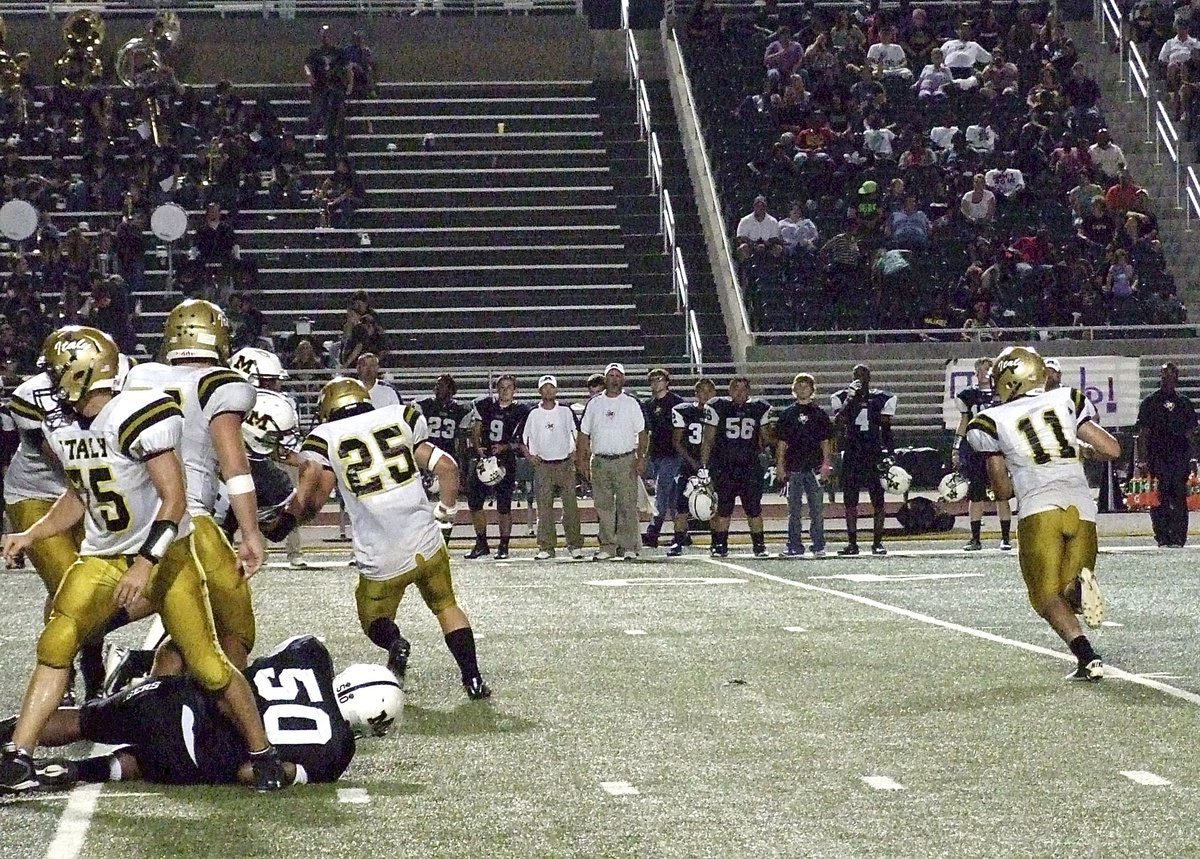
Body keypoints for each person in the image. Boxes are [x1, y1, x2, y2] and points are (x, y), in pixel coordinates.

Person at [1, 326, 284, 794]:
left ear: (83, 371)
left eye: (57, 371)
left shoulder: (136, 412)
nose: (50, 382)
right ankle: (19, 757)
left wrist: (146, 564)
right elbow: (80, 494)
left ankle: (262, 752)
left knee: (209, 664)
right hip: (104, 554)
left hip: (166, 555)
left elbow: (174, 500)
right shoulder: (65, 422)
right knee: (57, 638)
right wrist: (31, 532)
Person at [274, 378, 491, 700]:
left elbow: (314, 501)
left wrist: (284, 521)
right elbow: (448, 467)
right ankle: (473, 678)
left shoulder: (324, 438)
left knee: (374, 618)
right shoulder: (400, 416)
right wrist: (444, 513)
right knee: (446, 606)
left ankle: (396, 644)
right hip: (426, 543)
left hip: (381, 554)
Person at [3, 636, 355, 789]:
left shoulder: (308, 656)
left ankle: (17, 743)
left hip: (174, 702)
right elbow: (254, 773)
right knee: (164, 760)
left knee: (83, 721)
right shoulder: (337, 751)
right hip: (188, 762)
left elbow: (235, 679)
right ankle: (75, 771)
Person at [122, 300, 265, 670]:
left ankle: (148, 692)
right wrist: (250, 532)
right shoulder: (222, 384)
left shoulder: (139, 377)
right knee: (233, 631)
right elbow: (235, 467)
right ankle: (229, 723)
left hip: (135, 518)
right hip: (189, 520)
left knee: (184, 626)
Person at [967, 346, 1121, 680]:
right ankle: (1078, 596)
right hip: (1082, 508)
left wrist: (1000, 478)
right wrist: (1083, 452)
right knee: (1066, 589)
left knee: (1044, 595)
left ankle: (1088, 656)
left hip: (1039, 511)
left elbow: (1003, 490)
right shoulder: (1066, 398)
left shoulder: (990, 421)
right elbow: (1112, 448)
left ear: (1008, 381)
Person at [4, 370, 97, 699]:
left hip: (91, 492)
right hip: (37, 494)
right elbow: (71, 463)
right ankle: (67, 668)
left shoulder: (117, 379)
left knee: (92, 585)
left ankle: (93, 662)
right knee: (67, 585)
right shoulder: (32, 395)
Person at [577, 363, 647, 561]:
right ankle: (607, 546)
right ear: (605, 378)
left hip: (625, 460)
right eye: (611, 375)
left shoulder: (631, 403)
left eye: (618, 375)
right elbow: (584, 433)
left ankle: (628, 546)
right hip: (600, 460)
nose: (614, 379)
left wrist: (641, 458)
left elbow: (642, 433)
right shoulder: (594, 404)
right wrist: (581, 459)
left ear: (623, 379)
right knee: (603, 506)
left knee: (627, 505)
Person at [700, 377, 773, 558]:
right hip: (724, 466)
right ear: (730, 391)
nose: (739, 393)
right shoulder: (718, 407)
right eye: (736, 389)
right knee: (723, 509)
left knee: (754, 509)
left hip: (750, 466)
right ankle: (720, 545)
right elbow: (708, 440)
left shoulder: (758, 408)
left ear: (749, 391)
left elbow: (767, 437)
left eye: (743, 389)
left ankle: (759, 545)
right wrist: (703, 466)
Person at [831, 365, 897, 556]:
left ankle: (877, 542)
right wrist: (851, 399)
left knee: (878, 500)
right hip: (852, 452)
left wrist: (890, 452)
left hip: (873, 452)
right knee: (850, 501)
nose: (860, 378)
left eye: (864, 375)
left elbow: (886, 427)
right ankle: (852, 543)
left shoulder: (882, 397)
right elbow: (838, 422)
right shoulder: (842, 397)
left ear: (870, 377)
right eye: (857, 375)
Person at [464, 374, 529, 560]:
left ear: (515, 390)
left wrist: (505, 447)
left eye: (509, 387)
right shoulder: (485, 405)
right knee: (475, 501)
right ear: (496, 389)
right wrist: (478, 447)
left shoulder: (521, 410)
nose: (505, 390)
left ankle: (503, 545)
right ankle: (481, 542)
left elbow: (522, 441)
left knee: (504, 505)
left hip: (505, 460)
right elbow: (475, 429)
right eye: (502, 387)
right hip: (484, 460)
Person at [952, 357, 1013, 551]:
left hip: (997, 448)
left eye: (988, 369)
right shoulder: (968, 395)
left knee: (1002, 494)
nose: (984, 373)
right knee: (975, 494)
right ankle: (975, 538)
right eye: (981, 369)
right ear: (976, 372)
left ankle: (1005, 538)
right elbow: (963, 421)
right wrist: (956, 447)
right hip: (976, 449)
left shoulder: (1004, 393)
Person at [1135, 362, 1198, 547]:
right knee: (1159, 498)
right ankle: (1162, 536)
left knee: (1179, 497)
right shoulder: (1150, 402)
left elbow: (1191, 433)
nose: (1168, 379)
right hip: (1157, 457)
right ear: (1160, 378)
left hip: (1180, 457)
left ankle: (1179, 537)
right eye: (1165, 376)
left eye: (1172, 376)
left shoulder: (1184, 403)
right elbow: (1143, 433)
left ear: (1177, 378)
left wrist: (1194, 457)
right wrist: (1143, 459)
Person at [521, 375, 583, 560]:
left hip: (564, 464)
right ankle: (546, 546)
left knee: (570, 507)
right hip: (543, 466)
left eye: (551, 387)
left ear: (556, 390)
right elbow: (523, 439)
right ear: (540, 391)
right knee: (544, 508)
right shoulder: (533, 413)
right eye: (545, 388)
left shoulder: (565, 411)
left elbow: (577, 433)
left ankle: (574, 544)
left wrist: (575, 453)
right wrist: (530, 456)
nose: (548, 391)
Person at [774, 373, 834, 558]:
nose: (802, 389)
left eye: (805, 386)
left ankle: (818, 544)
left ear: (812, 389)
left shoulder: (819, 414)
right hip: (794, 468)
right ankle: (794, 544)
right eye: (798, 386)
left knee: (817, 509)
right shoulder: (787, 414)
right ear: (793, 389)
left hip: (814, 467)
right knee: (794, 510)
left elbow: (825, 442)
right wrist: (780, 466)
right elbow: (782, 443)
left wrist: (826, 465)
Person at [666, 378, 717, 556]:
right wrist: (693, 462)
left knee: (713, 504)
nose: (706, 394)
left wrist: (708, 463)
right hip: (688, 465)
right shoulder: (685, 411)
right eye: (702, 391)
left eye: (709, 391)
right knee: (682, 506)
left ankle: (717, 541)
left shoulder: (721, 411)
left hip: (713, 465)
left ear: (715, 393)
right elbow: (676, 441)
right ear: (696, 393)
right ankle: (678, 540)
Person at [641, 368, 684, 549]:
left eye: (660, 379)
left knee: (662, 491)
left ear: (667, 382)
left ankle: (653, 531)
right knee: (672, 495)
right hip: (656, 453)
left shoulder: (677, 402)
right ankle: (681, 533)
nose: (656, 383)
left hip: (672, 453)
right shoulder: (648, 404)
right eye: (653, 380)